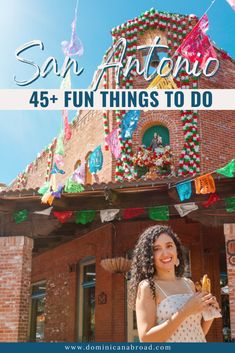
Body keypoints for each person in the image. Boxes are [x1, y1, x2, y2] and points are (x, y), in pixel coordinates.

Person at [128, 225, 221, 342]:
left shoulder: (189, 284)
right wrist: (185, 311)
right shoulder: (148, 287)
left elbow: (197, 333)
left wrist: (210, 312)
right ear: (149, 257)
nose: (165, 252)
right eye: (156, 249)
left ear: (177, 250)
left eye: (169, 246)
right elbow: (146, 339)